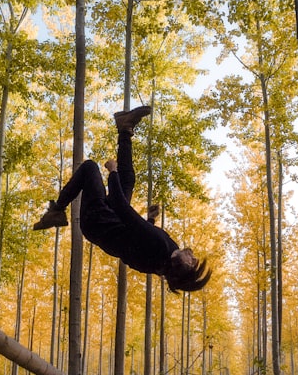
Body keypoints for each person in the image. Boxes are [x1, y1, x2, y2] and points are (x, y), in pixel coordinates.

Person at [32, 105, 211, 293]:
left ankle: (56, 211)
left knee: (90, 168)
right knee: (128, 180)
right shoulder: (164, 258)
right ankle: (125, 128)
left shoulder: (160, 248)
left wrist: (112, 172)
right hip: (111, 222)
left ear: (179, 266)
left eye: (192, 264)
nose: (194, 259)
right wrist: (150, 219)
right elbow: (137, 237)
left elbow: (121, 208)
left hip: (98, 222)